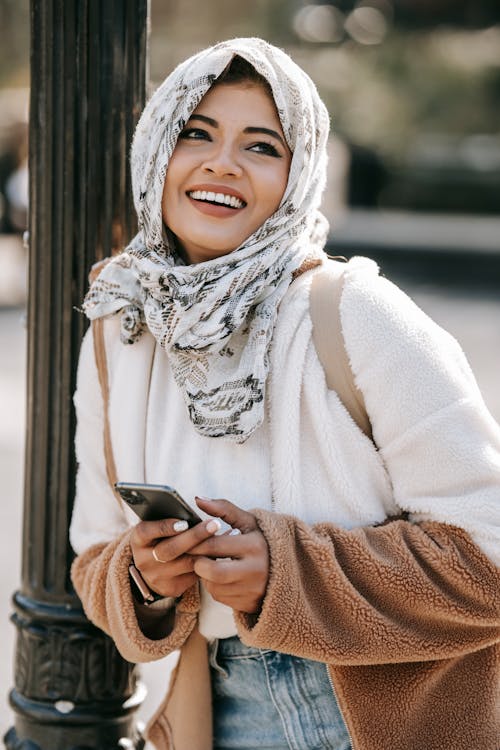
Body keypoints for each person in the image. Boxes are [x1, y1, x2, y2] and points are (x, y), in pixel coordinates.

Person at [70, 38, 500, 750]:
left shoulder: (356, 312)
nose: (221, 163)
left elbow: (490, 556)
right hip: (216, 707)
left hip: (374, 714)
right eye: (195, 132)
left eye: (262, 147)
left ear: (299, 175)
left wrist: (286, 574)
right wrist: (145, 576)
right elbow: (93, 559)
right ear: (154, 151)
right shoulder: (121, 327)